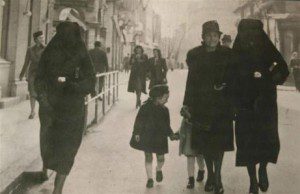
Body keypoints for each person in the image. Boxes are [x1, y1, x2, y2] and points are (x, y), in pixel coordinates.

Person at [35, 21, 96, 194]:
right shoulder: (50, 52)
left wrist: (72, 85)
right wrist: (42, 98)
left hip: (73, 109)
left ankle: (58, 189)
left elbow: (91, 80)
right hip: (51, 109)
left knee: (68, 149)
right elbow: (39, 78)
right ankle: (48, 171)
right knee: (50, 147)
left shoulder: (81, 53)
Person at [232, 19, 289, 194]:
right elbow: (229, 75)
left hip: (265, 102)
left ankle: (263, 168)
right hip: (244, 103)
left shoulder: (265, 45)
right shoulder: (237, 50)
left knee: (265, 139)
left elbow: (283, 68)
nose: (249, 36)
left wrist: (267, 76)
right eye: (246, 32)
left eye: (253, 32)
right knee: (247, 141)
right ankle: (252, 180)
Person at [182, 20, 235, 194]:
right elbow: (190, 82)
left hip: (222, 106)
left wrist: (226, 86)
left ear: (219, 37)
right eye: (208, 35)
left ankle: (217, 177)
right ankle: (210, 174)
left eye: (215, 35)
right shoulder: (195, 55)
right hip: (201, 107)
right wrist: (186, 104)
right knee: (205, 144)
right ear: (203, 38)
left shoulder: (227, 54)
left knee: (219, 144)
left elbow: (235, 78)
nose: (212, 38)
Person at [130, 84, 178, 188]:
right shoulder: (145, 108)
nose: (167, 100)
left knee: (161, 159)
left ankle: (158, 169)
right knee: (148, 157)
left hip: (160, 138)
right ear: (158, 97)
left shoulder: (165, 110)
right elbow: (138, 122)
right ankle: (150, 179)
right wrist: (137, 133)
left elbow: (166, 125)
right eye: (166, 98)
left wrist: (171, 134)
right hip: (147, 136)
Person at [19, 31, 45, 119]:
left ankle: (42, 111)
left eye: (43, 37)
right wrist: (21, 75)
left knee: (41, 92)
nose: (43, 39)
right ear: (36, 39)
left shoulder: (46, 48)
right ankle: (32, 111)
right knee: (32, 92)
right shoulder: (30, 49)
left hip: (42, 74)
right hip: (32, 74)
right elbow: (26, 63)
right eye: (41, 37)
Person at [179, 107, 205, 189]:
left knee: (200, 157)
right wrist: (179, 134)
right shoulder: (186, 111)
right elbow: (182, 126)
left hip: (198, 137)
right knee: (190, 158)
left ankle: (201, 170)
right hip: (189, 138)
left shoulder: (200, 110)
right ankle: (191, 179)